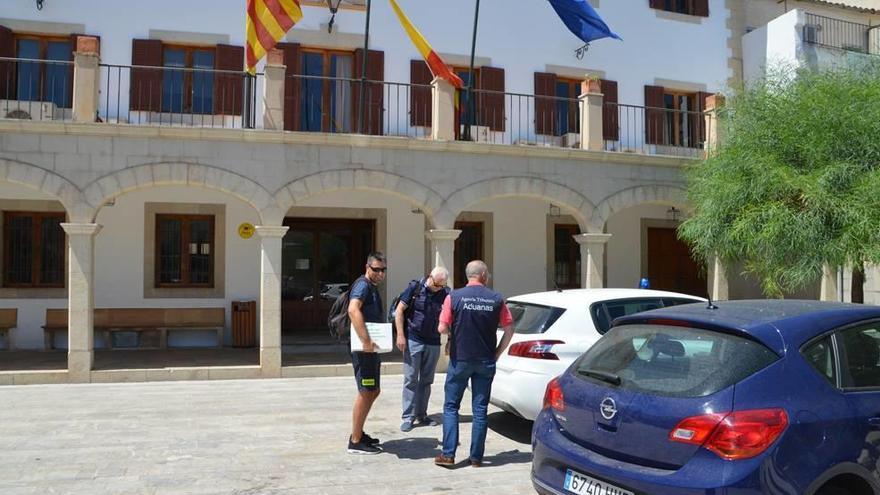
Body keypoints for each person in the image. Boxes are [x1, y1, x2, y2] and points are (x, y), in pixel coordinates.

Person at [434, 260, 515, 468]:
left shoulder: (454, 297)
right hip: (486, 360)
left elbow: (441, 328)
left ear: (468, 275)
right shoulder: (496, 299)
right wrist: (497, 353)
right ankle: (477, 458)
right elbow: (509, 329)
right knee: (480, 410)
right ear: (484, 275)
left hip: (460, 359)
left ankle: (448, 454)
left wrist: (453, 331)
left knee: (451, 406)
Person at [395, 266, 450, 432]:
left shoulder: (446, 294)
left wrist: (450, 340)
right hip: (414, 339)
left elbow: (450, 318)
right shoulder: (415, 288)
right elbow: (399, 311)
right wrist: (400, 335)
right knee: (411, 379)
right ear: (429, 277)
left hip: (433, 341)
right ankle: (407, 417)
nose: (438, 288)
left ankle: (421, 414)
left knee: (426, 380)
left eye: (442, 285)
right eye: (436, 284)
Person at [347, 252, 387, 455]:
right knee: (366, 391)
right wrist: (366, 341)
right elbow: (353, 310)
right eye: (376, 269)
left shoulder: (370, 286)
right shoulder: (363, 285)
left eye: (383, 270)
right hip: (364, 349)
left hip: (371, 349)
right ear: (367, 267)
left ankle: (358, 432)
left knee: (374, 390)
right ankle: (355, 441)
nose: (380, 273)